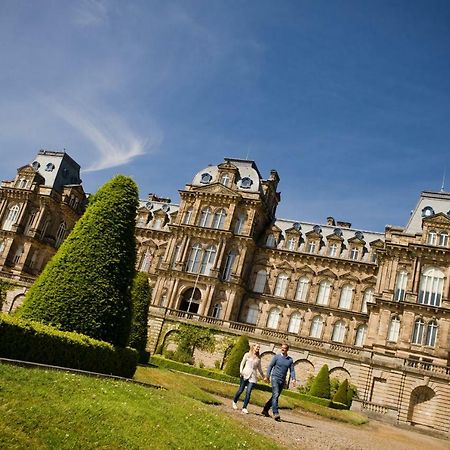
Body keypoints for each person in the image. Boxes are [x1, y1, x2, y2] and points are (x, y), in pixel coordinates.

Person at [262, 342, 296, 421]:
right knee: (276, 394)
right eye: (282, 347)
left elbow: (292, 371)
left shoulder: (290, 360)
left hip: (282, 380)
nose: (282, 349)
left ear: (287, 350)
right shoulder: (276, 357)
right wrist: (267, 376)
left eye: (284, 348)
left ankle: (265, 409)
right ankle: (275, 413)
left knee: (275, 396)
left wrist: (293, 379)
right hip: (275, 378)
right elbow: (270, 366)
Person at [232, 343, 265, 414]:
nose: (258, 348)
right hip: (245, 374)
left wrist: (264, 377)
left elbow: (260, 369)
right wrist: (241, 371)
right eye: (257, 347)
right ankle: (234, 401)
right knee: (241, 390)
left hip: (253, 376)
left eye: (259, 348)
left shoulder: (258, 359)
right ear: (253, 347)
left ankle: (244, 407)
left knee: (248, 392)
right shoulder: (247, 354)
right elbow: (242, 363)